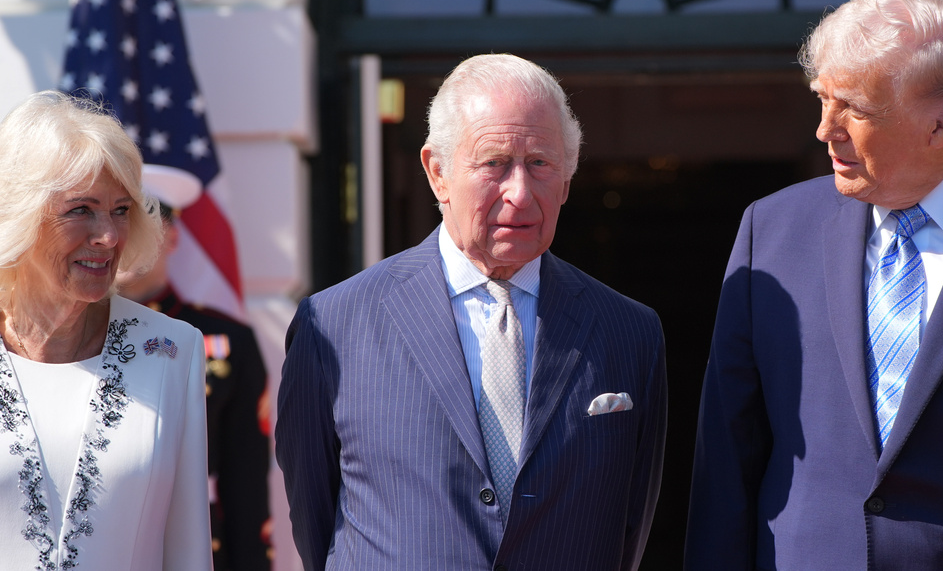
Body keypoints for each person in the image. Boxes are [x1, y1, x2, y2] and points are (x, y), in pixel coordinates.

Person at [277, 53, 668, 570]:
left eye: (540, 164)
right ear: (437, 172)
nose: (520, 192)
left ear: (568, 181)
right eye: (494, 163)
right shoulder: (333, 326)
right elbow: (315, 518)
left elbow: (630, 529)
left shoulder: (630, 332)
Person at [684, 0, 943, 570]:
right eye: (822, 99)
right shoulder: (772, 230)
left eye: (855, 109)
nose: (825, 129)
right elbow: (727, 461)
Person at [0, 90, 212, 570]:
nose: (109, 236)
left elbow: (189, 550)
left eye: (121, 210)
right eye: (81, 210)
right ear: (19, 214)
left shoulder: (172, 351)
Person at [117, 164, 272, 571]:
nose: (124, 237)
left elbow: (246, 484)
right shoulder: (66, 335)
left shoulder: (226, 340)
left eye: (142, 222)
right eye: (118, 220)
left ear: (172, 235)